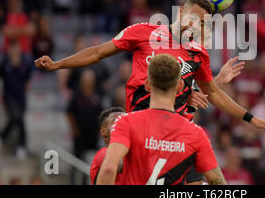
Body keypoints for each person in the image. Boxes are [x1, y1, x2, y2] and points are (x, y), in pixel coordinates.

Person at [35, 0, 265, 183]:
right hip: (142, 129)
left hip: (177, 136)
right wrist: (59, 64)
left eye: (202, 23)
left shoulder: (198, 53)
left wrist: (250, 117)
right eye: (193, 17)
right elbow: (99, 51)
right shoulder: (144, 32)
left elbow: (213, 93)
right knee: (109, 166)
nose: (195, 25)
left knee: (214, 183)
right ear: (181, 12)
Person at [96, 54, 226, 185]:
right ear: (180, 86)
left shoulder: (125, 122)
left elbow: (108, 169)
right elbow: (218, 183)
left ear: (147, 85)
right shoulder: (196, 133)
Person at [0, 40, 33, 159]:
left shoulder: (25, 64)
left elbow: (27, 81)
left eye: (17, 48)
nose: (15, 51)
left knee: (19, 119)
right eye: (13, 49)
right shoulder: (4, 63)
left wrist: (25, 92)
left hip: (21, 97)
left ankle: (4, 138)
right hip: (9, 97)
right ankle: (19, 144)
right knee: (16, 117)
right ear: (9, 50)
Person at [90, 107, 125, 184]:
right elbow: (120, 165)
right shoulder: (103, 153)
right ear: (103, 131)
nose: (123, 124)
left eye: (127, 121)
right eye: (116, 121)